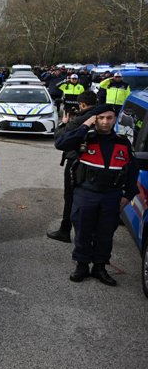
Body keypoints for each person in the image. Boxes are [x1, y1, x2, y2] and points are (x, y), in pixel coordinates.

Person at [55, 104, 138, 286]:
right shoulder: (85, 139)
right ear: (95, 119)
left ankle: (100, 267)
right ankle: (82, 265)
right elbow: (60, 143)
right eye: (101, 118)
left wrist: (128, 195)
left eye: (109, 118)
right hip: (86, 193)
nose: (105, 122)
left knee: (105, 233)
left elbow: (132, 172)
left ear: (115, 120)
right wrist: (85, 125)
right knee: (83, 231)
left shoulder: (122, 143)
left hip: (111, 196)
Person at [48, 91, 98, 243]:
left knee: (70, 197)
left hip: (76, 162)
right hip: (95, 163)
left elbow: (59, 138)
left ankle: (65, 230)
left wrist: (64, 122)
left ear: (82, 104)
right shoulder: (103, 115)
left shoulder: (81, 120)